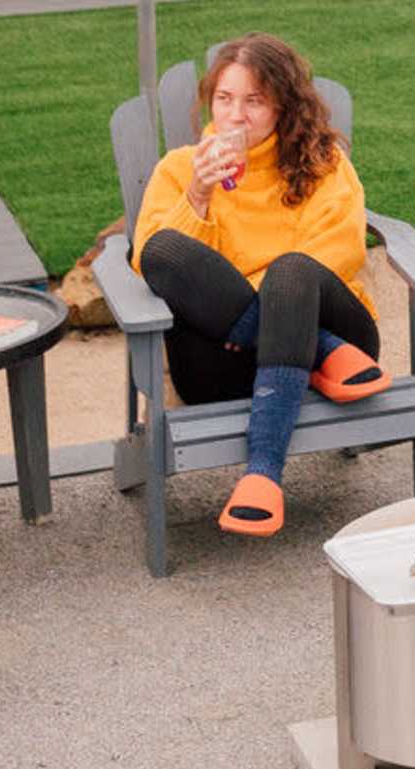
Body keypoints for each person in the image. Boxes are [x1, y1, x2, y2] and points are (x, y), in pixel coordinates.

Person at [129, 31, 390, 536]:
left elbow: (340, 250)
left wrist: (253, 301)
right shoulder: (180, 169)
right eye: (225, 99)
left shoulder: (322, 164)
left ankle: (263, 472)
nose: (235, 115)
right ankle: (321, 353)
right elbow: (149, 260)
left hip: (334, 323)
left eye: (254, 101)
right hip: (229, 364)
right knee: (164, 247)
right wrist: (199, 196)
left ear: (283, 107)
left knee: (293, 271)